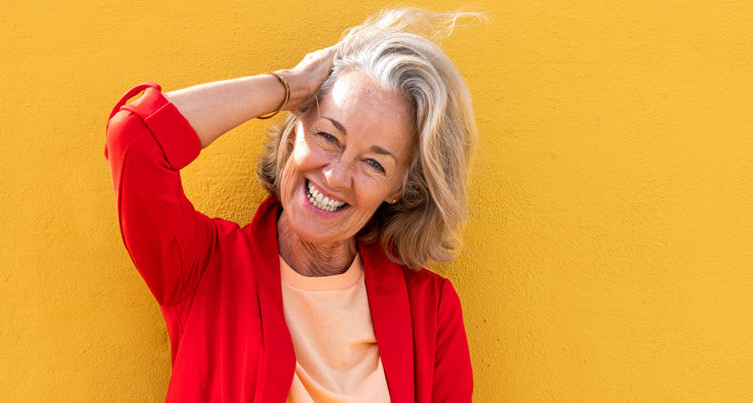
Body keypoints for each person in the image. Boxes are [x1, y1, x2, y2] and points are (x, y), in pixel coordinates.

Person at [103, 8, 481, 402]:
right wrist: (288, 87)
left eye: (373, 163)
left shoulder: (430, 310)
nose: (336, 176)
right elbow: (136, 139)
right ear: (293, 132)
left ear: (399, 188)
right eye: (327, 136)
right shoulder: (204, 267)